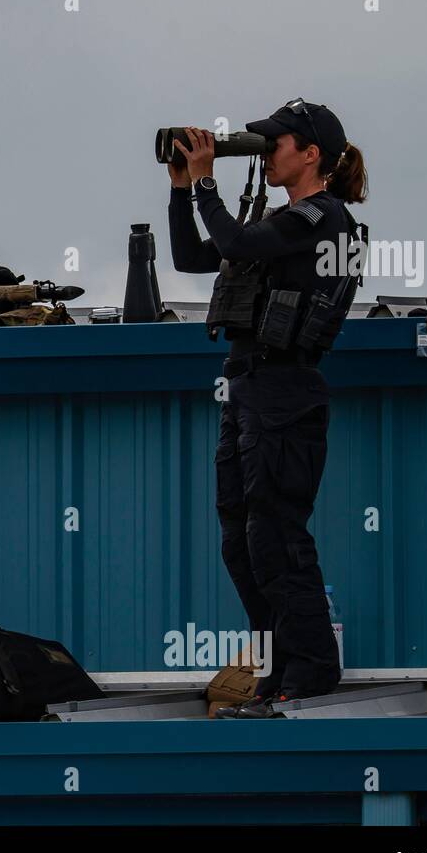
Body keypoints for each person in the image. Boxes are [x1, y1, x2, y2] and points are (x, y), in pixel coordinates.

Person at [166, 99, 368, 718]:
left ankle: (310, 668)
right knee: (242, 540)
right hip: (249, 391)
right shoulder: (285, 226)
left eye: (275, 142)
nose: (266, 151)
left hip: (285, 393)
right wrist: (182, 190)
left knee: (276, 537)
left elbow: (232, 237)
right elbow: (194, 257)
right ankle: (281, 663)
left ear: (311, 155)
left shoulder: (322, 217)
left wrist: (206, 180)